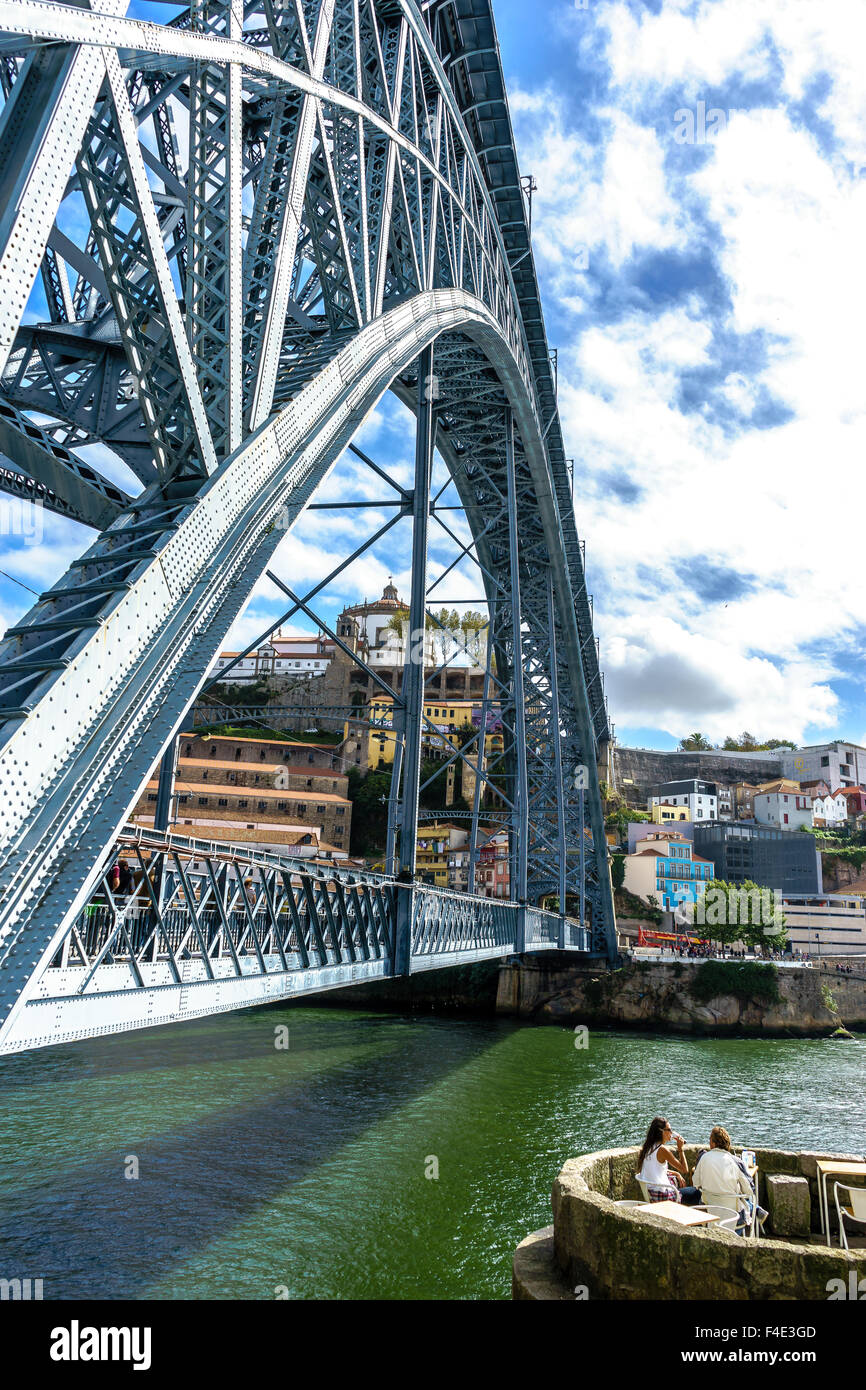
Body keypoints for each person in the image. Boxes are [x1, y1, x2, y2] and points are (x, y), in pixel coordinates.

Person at [692, 1127, 754, 1234]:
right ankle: (758, 1212)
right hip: (734, 1218)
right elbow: (749, 1191)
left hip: (709, 1215)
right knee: (750, 1204)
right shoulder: (736, 1161)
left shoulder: (704, 1158)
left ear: (713, 1143)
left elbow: (696, 1183)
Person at [636, 1117, 701, 1205]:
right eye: (669, 1130)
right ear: (661, 1131)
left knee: (676, 1182)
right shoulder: (662, 1150)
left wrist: (676, 1173)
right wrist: (680, 1149)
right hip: (663, 1196)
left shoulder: (648, 1147)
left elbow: (655, 1169)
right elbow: (685, 1170)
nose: (671, 1132)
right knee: (697, 1193)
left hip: (652, 1194)